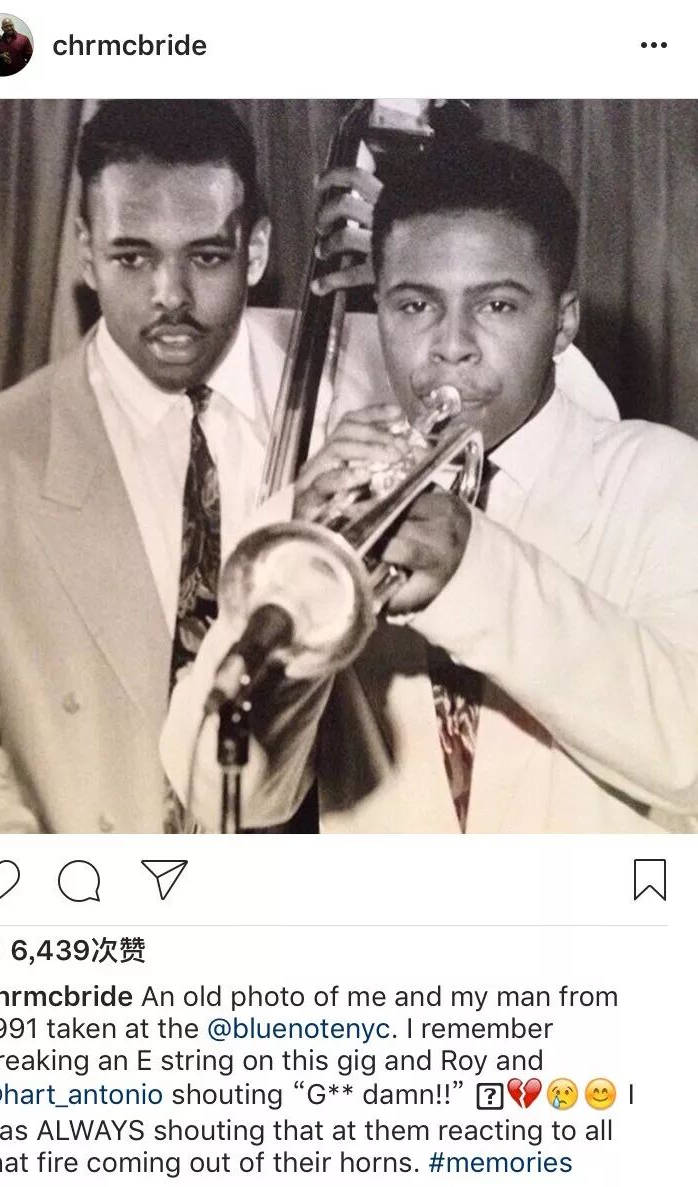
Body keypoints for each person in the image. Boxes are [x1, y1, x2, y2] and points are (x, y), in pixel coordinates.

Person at [163, 136, 698, 834]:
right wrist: (296, 565)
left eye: (497, 306)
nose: (451, 345)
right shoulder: (326, 507)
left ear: (563, 322)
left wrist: (470, 567)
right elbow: (220, 792)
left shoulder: (661, 477)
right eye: (415, 306)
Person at [0, 100, 385, 833]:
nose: (170, 295)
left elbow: (556, 413)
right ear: (85, 253)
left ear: (256, 249)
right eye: (133, 257)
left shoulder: (364, 372)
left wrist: (413, 267)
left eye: (206, 256)